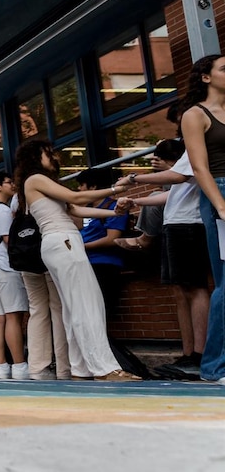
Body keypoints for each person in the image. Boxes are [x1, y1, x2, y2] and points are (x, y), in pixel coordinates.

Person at [15, 139, 138, 380]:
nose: (54, 157)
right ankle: (104, 368)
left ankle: (81, 368)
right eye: (48, 153)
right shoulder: (35, 179)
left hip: (60, 243)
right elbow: (78, 200)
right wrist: (116, 190)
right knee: (87, 305)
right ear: (33, 157)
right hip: (63, 241)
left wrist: (114, 212)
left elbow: (76, 209)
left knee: (75, 308)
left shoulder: (38, 183)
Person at [115, 138, 210, 375]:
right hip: (177, 225)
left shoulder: (196, 150)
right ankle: (190, 355)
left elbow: (176, 177)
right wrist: (135, 200)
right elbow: (170, 196)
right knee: (185, 290)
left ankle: (200, 356)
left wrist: (132, 179)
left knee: (196, 288)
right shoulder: (189, 154)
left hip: (190, 225)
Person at [177, 54, 225, 386]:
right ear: (206, 77)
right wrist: (221, 206)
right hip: (220, 193)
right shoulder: (195, 115)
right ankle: (215, 368)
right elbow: (199, 168)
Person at [0, 172, 30, 380]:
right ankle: (19, 366)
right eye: (9, 182)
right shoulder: (1, 210)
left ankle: (1, 367)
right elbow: (10, 240)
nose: (13, 185)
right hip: (5, 268)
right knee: (13, 317)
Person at [75, 168, 128, 322]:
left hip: (104, 265)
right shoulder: (87, 210)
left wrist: (83, 247)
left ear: (93, 187)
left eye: (81, 185)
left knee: (101, 309)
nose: (79, 189)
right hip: (87, 263)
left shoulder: (114, 207)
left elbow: (112, 238)